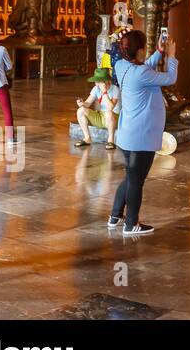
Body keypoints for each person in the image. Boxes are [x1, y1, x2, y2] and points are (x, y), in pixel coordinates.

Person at [110, 29, 178, 236]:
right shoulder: (139, 73)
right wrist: (172, 56)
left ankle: (115, 216)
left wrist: (159, 51)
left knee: (131, 177)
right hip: (141, 137)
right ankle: (131, 224)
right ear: (139, 50)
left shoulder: (121, 65)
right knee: (136, 181)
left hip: (128, 134)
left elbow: (144, 69)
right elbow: (170, 78)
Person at [75, 67, 118, 150]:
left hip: (113, 117)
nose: (96, 83)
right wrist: (82, 103)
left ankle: (111, 140)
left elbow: (111, 107)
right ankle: (87, 138)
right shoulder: (96, 89)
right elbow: (87, 104)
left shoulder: (115, 89)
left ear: (106, 81)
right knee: (81, 110)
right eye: (96, 81)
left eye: (98, 81)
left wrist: (104, 92)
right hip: (100, 116)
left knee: (109, 112)